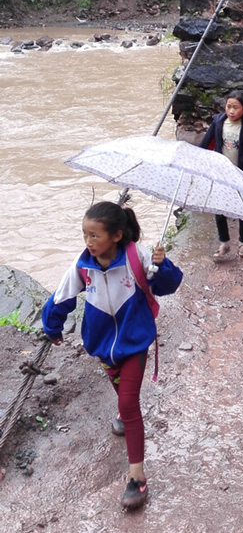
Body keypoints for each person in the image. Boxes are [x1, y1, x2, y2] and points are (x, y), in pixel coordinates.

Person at [42, 201, 183, 509]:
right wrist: (52, 327)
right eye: (85, 235)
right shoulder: (82, 266)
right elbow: (61, 297)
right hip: (102, 345)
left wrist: (164, 265)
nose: (88, 243)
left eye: (95, 236)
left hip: (135, 342)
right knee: (122, 393)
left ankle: (137, 477)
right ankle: (124, 411)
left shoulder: (139, 256)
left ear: (117, 235)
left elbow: (168, 286)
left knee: (129, 403)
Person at [199, 89, 243, 261]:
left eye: (236, 107)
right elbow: (205, 143)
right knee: (219, 208)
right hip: (221, 172)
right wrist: (196, 158)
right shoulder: (218, 122)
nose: (231, 111)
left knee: (242, 209)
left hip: (240, 174)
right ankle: (224, 242)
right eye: (229, 106)